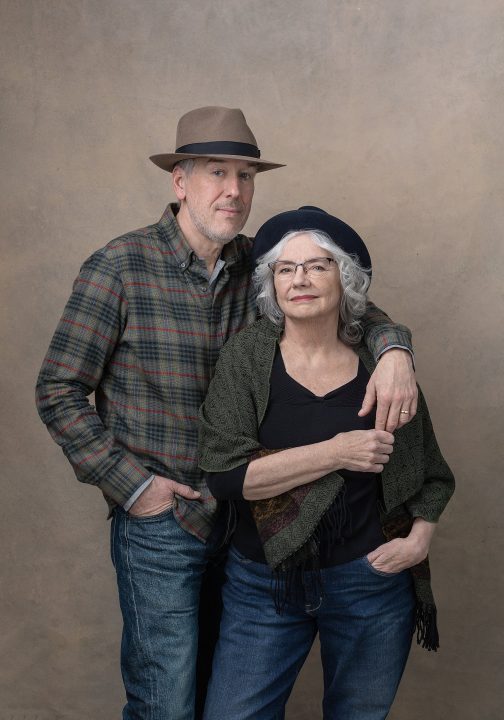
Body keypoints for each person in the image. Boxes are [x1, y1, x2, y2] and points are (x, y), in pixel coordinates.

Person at [36, 107, 417, 720]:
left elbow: (342, 304)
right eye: (217, 173)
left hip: (251, 527)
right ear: (179, 182)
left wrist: (395, 347)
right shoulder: (120, 267)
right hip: (164, 524)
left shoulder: (258, 265)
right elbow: (57, 390)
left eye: (245, 176)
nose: (234, 191)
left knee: (225, 695)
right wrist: (134, 489)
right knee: (166, 698)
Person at [198, 207, 455, 720]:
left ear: (347, 278)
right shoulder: (247, 357)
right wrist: (337, 452)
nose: (301, 280)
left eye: (319, 266)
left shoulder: (384, 369)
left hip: (371, 583)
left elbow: (431, 475)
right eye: (287, 269)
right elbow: (226, 477)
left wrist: (420, 538)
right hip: (263, 582)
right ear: (272, 285)